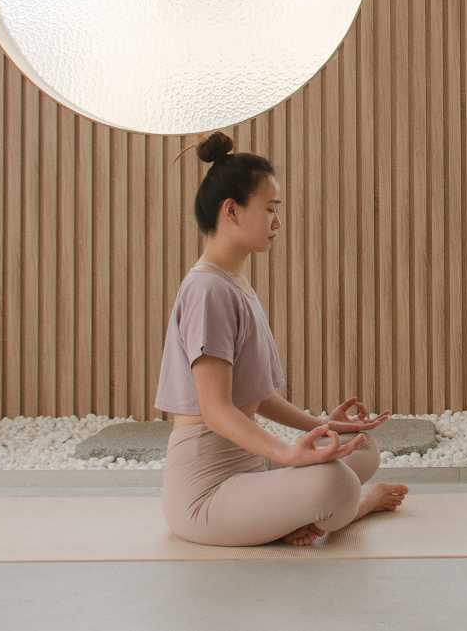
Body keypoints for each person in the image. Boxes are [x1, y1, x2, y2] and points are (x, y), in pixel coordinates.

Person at [156, 130, 408, 546]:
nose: (277, 222)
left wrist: (324, 424)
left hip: (251, 467)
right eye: (270, 209)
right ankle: (355, 507)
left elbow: (257, 395)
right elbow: (216, 410)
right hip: (206, 493)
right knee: (337, 484)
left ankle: (297, 514)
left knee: (359, 445)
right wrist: (289, 454)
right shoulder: (207, 290)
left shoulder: (233, 282)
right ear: (231, 211)